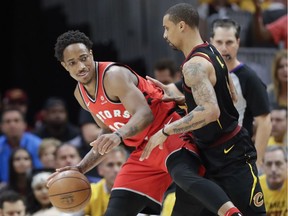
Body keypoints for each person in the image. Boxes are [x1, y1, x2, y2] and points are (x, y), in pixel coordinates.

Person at [47, 29, 243, 216]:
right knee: (116, 210)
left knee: (185, 177)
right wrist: (81, 167)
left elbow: (144, 115)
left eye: (83, 58)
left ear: (90, 53)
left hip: (168, 130)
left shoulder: (113, 75)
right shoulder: (80, 95)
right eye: (72, 62)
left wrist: (119, 135)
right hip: (143, 150)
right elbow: (108, 129)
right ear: (65, 66)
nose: (81, 66)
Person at [140, 3, 266, 215]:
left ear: (181, 26)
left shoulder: (194, 66)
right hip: (208, 155)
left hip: (231, 156)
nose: (164, 34)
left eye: (166, 28)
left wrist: (165, 131)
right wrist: (183, 98)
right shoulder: (212, 51)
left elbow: (211, 111)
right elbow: (229, 97)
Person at [209, 18, 272, 169]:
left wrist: (257, 161)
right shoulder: (204, 73)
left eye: (229, 42)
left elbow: (264, 121)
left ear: (238, 42)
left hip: (237, 157)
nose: (224, 48)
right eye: (219, 42)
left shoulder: (249, 78)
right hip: (208, 154)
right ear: (211, 42)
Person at [0, 108, 43, 185]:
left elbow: (41, 172)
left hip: (34, 186)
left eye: (16, 120)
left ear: (24, 124)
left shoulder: (38, 144)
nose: (12, 125)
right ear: (1, 126)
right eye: (8, 121)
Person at [84, 146, 128, 216]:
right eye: (110, 165)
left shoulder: (136, 192)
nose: (116, 170)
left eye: (119, 164)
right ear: (100, 170)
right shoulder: (90, 192)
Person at [259, 146, 287, 215]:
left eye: (278, 163)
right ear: (263, 167)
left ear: (287, 164)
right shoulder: (256, 187)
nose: (273, 169)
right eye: (269, 164)